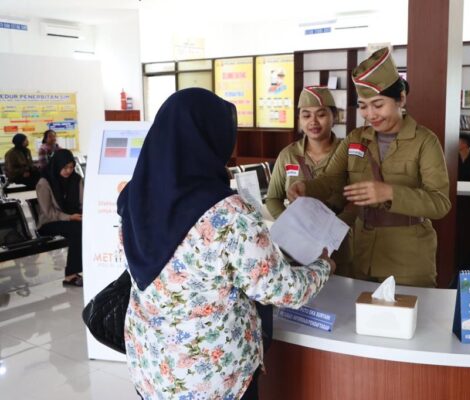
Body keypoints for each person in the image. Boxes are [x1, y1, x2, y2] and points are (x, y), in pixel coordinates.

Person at [118, 88, 333, 400]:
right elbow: (282, 289)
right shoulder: (230, 215)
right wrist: (323, 266)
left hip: (152, 365)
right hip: (214, 376)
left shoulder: (131, 196)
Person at [288, 48, 451, 287]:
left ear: (401, 99)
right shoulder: (356, 138)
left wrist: (390, 193)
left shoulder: (424, 141)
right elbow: (331, 179)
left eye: (378, 104)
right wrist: (306, 187)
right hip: (362, 254)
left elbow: (440, 203)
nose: (370, 114)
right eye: (363, 106)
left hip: (408, 259)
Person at [266, 86, 353, 277]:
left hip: (339, 245)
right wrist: (292, 226)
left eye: (321, 114)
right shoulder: (288, 155)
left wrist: (333, 231)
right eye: (306, 116)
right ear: (299, 120)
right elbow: (272, 198)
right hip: (297, 248)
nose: (313, 122)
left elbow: (357, 199)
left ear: (335, 116)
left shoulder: (348, 154)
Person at [36, 149, 83, 287]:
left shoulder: (76, 179)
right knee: (77, 229)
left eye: (71, 167)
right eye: (65, 167)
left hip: (72, 218)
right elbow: (48, 212)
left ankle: (78, 270)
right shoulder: (44, 182)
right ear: (57, 165)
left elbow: (82, 201)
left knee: (82, 228)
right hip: (49, 222)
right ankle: (70, 275)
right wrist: (69, 217)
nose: (69, 171)